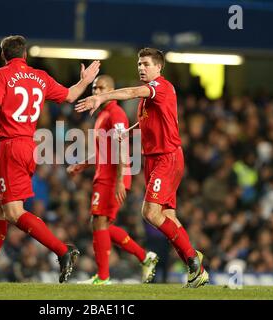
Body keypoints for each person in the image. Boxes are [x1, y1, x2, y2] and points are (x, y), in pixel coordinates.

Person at [0, 35, 100, 287]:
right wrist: (84, 81)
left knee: (13, 212)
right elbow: (69, 96)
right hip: (29, 145)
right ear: (25, 55)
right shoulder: (40, 76)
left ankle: (62, 250)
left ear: (3, 55)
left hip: (10, 146)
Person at [75, 48, 209, 288]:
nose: (141, 68)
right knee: (167, 216)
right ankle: (196, 267)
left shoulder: (161, 87)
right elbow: (148, 122)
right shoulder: (150, 98)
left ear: (159, 67)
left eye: (146, 64)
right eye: (139, 64)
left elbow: (132, 91)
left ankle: (191, 259)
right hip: (155, 159)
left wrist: (102, 97)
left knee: (149, 213)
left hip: (166, 158)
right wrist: (129, 132)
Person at [67, 75, 158, 285]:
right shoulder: (103, 115)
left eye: (101, 88)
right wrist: (82, 164)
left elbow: (122, 145)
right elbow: (105, 151)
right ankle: (144, 257)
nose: (96, 92)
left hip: (112, 177)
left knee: (99, 222)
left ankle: (104, 277)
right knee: (102, 224)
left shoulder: (115, 113)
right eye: (94, 88)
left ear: (111, 89)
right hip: (106, 175)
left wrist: (119, 180)